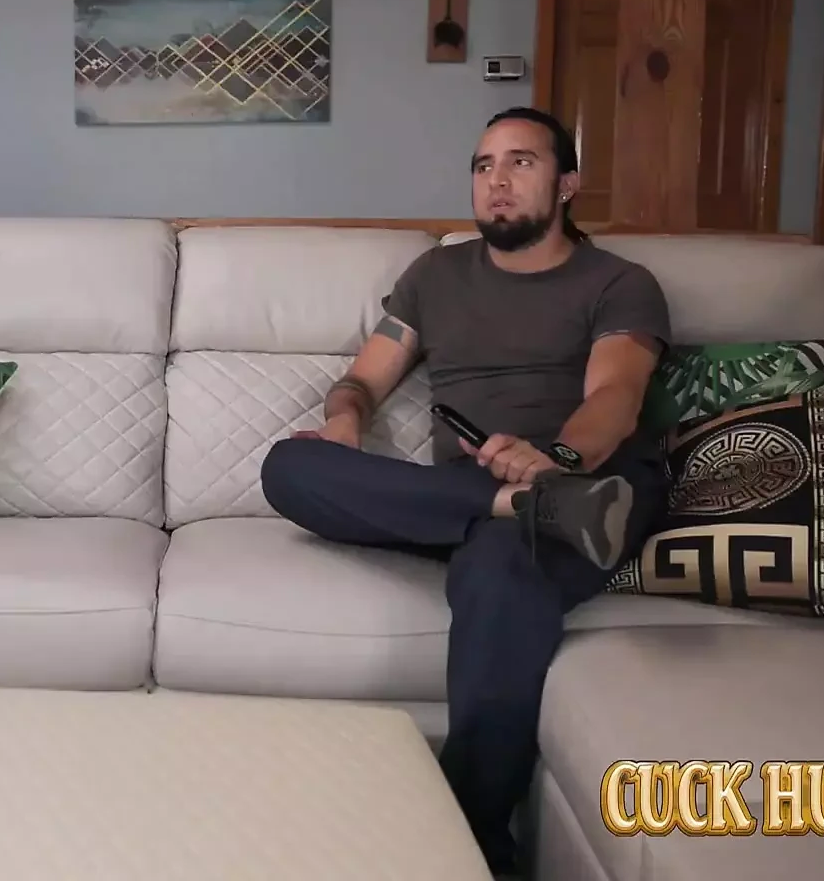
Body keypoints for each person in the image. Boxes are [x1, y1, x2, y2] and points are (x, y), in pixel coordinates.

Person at [258, 106, 672, 876]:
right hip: (479, 491)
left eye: (521, 162)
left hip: (593, 486)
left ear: (568, 184)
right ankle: (518, 509)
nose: (497, 181)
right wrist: (345, 421)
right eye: (484, 166)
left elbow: (616, 396)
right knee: (289, 465)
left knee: (497, 572)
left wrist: (555, 460)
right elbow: (362, 379)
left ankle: (472, 840)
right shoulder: (435, 276)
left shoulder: (618, 283)